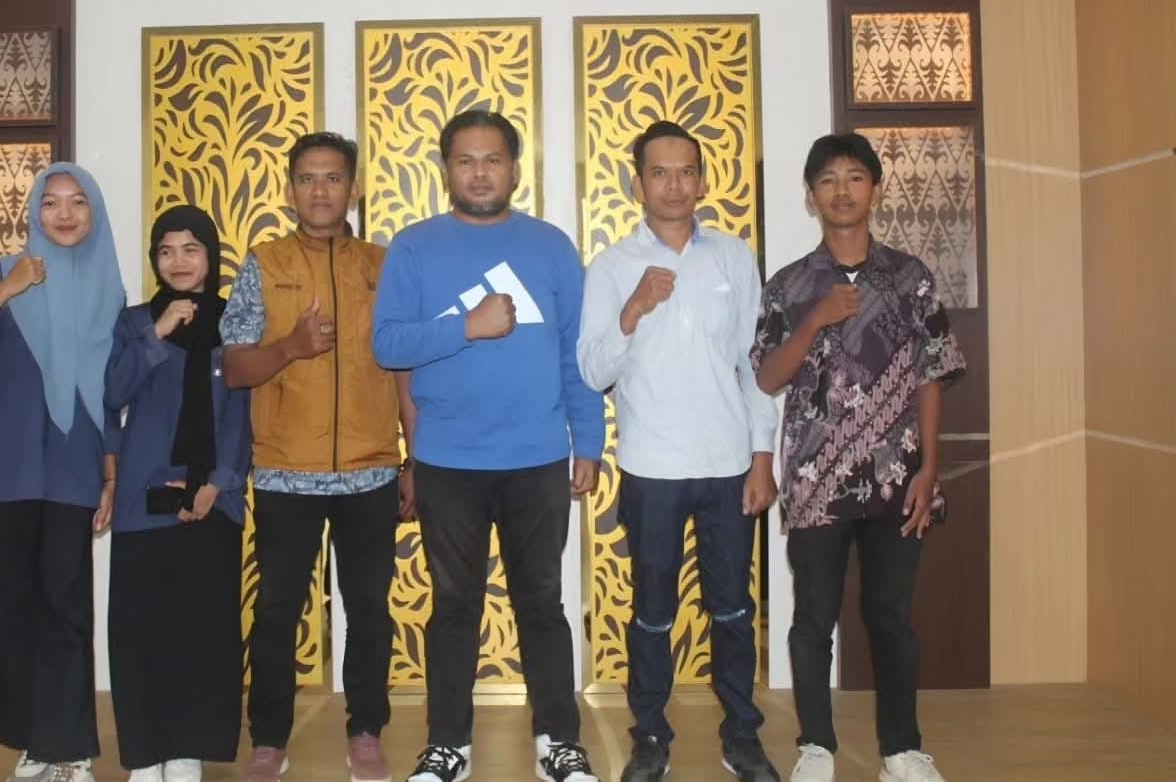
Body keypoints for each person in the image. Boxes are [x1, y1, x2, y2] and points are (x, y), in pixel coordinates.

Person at [372, 109, 605, 782]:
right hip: (448, 461)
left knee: (542, 605)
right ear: (446, 169)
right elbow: (387, 344)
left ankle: (559, 740)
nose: (479, 173)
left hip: (537, 458)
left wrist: (587, 439)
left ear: (514, 168)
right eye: (466, 160)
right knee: (453, 608)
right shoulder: (414, 248)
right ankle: (448, 744)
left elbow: (577, 354)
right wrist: (465, 326)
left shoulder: (551, 247)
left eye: (493, 159)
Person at [750, 134, 965, 782]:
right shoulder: (789, 284)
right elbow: (767, 377)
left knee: (892, 617)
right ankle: (816, 746)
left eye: (854, 177)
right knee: (813, 617)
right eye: (827, 180)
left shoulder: (909, 277)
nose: (841, 191)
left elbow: (931, 373)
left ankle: (901, 749)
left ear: (875, 188)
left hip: (899, 478)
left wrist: (930, 467)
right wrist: (815, 319)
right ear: (810, 196)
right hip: (816, 481)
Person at [577, 121, 781, 782]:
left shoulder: (733, 258)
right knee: (653, 613)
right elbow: (592, 371)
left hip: (728, 463)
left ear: (702, 181)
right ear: (637, 182)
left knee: (733, 608)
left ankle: (742, 735)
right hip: (652, 466)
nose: (673, 184)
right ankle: (650, 736)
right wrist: (632, 309)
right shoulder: (612, 267)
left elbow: (754, 365)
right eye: (659, 172)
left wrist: (762, 455)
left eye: (686, 171)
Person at [219, 132, 416, 782]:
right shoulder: (264, 263)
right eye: (307, 178)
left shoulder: (384, 266)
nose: (321, 190)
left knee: (369, 609)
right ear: (290, 189)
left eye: (333, 178)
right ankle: (269, 739)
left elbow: (404, 371)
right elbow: (235, 368)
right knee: (276, 612)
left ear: (354, 188)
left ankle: (366, 731)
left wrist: (413, 460)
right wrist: (291, 346)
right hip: (285, 472)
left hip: (371, 470)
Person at [0, 162, 124, 782]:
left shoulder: (109, 291)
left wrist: (110, 472)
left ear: (93, 213)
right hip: (6, 472)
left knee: (66, 610)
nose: (64, 214)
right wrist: (7, 289)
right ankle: (36, 742)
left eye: (77, 202)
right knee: (15, 609)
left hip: (72, 470)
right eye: (51, 202)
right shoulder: (2, 273)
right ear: (35, 212)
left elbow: (109, 392)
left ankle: (73, 748)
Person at [104, 205, 253, 782]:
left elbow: (243, 413)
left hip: (213, 498)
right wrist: (157, 335)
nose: (179, 261)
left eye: (191, 249)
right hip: (144, 498)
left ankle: (187, 749)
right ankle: (146, 755)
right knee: (141, 632)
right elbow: (111, 392)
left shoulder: (235, 324)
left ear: (210, 256)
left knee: (201, 632)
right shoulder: (134, 323)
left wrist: (218, 481)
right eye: (166, 251)